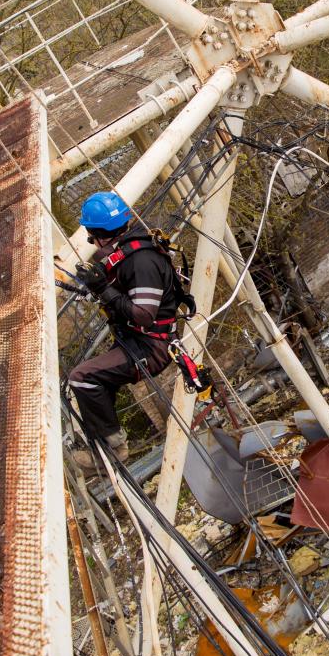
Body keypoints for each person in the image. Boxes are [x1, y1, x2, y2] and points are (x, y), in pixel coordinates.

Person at [67, 191, 184, 471]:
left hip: (150, 346)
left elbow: (144, 315)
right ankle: (106, 443)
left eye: (93, 238)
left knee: (82, 378)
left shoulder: (141, 261)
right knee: (96, 379)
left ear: (101, 234)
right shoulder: (129, 251)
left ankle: (115, 448)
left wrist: (102, 289)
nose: (93, 244)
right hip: (137, 340)